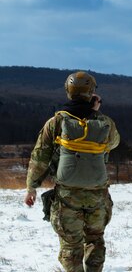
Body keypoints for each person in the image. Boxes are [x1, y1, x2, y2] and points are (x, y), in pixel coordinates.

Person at [24, 71, 120, 272]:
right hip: (97, 196)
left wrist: (31, 187)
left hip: (67, 196)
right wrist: (95, 112)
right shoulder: (104, 122)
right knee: (95, 240)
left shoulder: (56, 122)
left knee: (70, 245)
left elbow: (40, 157)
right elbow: (114, 142)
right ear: (91, 93)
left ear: (68, 91)